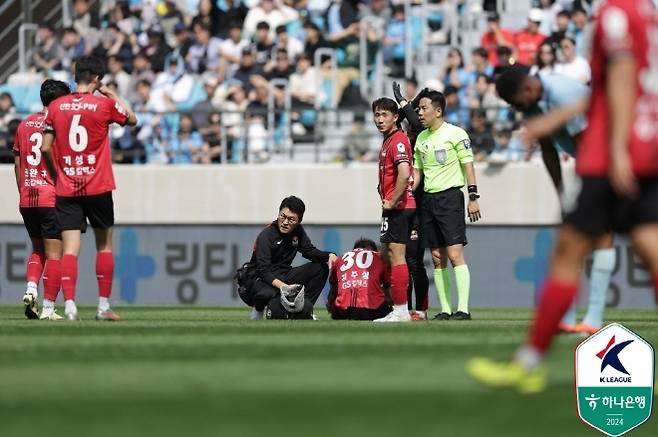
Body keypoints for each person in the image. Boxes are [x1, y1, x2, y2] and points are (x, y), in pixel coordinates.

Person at [468, 0, 658, 393]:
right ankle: (529, 361)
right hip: (641, 141)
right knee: (648, 247)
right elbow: (609, 89)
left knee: (568, 250)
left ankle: (528, 363)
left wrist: (617, 148)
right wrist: (553, 123)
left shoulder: (617, 13)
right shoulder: (646, 13)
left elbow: (621, 79)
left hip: (609, 153)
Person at [494, 65, 615, 335]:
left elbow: (587, 144)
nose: (519, 109)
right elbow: (548, 150)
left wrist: (585, 192)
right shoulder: (532, 104)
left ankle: (592, 319)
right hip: (597, 161)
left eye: (517, 102)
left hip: (612, 159)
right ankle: (569, 319)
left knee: (601, 234)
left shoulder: (562, 93)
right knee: (579, 237)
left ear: (528, 89)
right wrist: (561, 193)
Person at [41, 56, 138, 321]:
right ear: (96, 78)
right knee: (104, 246)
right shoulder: (104, 105)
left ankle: (70, 307)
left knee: (70, 249)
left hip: (67, 187)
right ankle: (103, 307)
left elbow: (45, 147)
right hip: (98, 185)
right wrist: (113, 94)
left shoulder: (56, 107)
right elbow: (132, 120)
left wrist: (57, 174)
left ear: (75, 76)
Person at [413, 90, 481, 320]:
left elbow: (468, 166)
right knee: (436, 257)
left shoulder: (456, 133)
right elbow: (417, 174)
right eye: (419, 109)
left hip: (450, 198)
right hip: (428, 201)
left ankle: (463, 309)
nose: (420, 113)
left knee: (454, 254)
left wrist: (473, 197)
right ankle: (445, 309)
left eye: (424, 108)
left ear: (438, 110)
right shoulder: (421, 139)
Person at [13, 79, 71, 320]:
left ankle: (30, 289)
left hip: (28, 196)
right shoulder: (58, 124)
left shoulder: (24, 124)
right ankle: (48, 308)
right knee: (55, 253)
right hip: (50, 196)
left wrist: (23, 189)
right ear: (59, 101)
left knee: (37, 249)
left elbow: (17, 162)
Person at [246, 196, 337, 320]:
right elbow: (263, 270)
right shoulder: (266, 235)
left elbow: (309, 251)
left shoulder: (298, 231)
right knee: (265, 293)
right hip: (260, 279)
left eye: (291, 219)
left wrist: (329, 255)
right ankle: (258, 310)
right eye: (282, 216)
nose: (285, 222)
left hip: (284, 274)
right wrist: (284, 287)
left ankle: (305, 309)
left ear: (299, 221)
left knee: (320, 268)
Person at [372, 97, 415, 322]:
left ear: (396, 117)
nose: (380, 120)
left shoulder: (398, 140)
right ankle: (397, 307)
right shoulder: (388, 140)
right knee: (389, 254)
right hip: (393, 207)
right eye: (377, 115)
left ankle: (401, 310)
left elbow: (405, 173)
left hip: (400, 206)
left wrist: (392, 200)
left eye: (384, 115)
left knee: (397, 256)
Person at [392, 82, 430, 320]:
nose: (417, 114)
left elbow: (415, 123)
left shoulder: (423, 136)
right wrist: (410, 101)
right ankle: (403, 308)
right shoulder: (405, 137)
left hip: (419, 204)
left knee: (414, 260)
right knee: (402, 259)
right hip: (402, 204)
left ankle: (422, 310)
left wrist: (404, 102)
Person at [327, 238, 392, 320]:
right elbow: (389, 291)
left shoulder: (340, 259)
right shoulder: (378, 257)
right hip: (372, 310)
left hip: (342, 312)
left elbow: (333, 288)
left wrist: (331, 306)